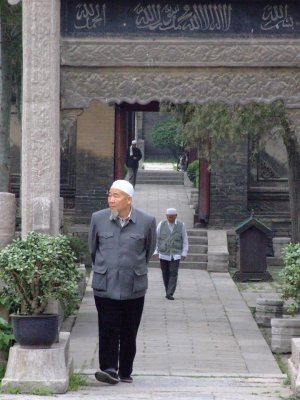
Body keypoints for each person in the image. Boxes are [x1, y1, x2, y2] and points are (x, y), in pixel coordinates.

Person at [88, 179, 156, 385]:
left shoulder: (147, 221)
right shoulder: (98, 219)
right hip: (105, 284)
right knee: (108, 328)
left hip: (133, 286)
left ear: (129, 199)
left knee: (129, 330)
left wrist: (133, 269)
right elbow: (93, 249)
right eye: (110, 195)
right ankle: (109, 369)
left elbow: (148, 250)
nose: (111, 199)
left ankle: (125, 370)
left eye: (116, 196)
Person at [156, 208, 189, 300]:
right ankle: (168, 290)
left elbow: (185, 239)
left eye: (172, 217)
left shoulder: (181, 225)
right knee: (165, 272)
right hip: (164, 253)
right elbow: (156, 238)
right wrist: (156, 251)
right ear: (166, 216)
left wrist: (184, 252)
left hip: (176, 254)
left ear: (176, 216)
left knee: (173, 272)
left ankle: (170, 292)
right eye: (169, 217)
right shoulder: (161, 225)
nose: (170, 218)